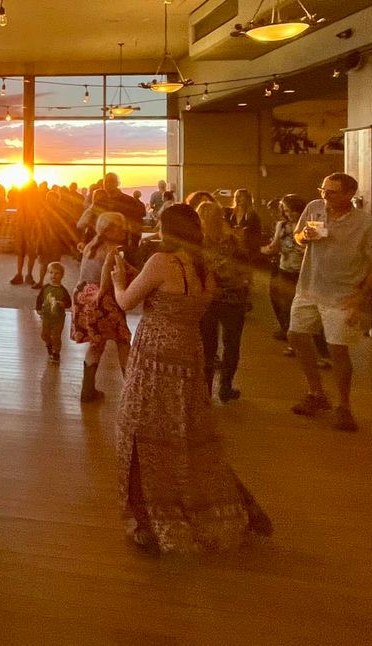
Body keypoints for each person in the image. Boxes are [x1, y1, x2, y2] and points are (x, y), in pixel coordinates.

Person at [110, 204, 273, 554]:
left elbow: (125, 302)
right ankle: (232, 502)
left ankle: (148, 518)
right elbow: (181, 294)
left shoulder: (160, 262)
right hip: (188, 351)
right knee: (187, 430)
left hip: (154, 352)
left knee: (144, 427)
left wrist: (117, 279)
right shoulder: (201, 264)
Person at [287, 172, 372, 431]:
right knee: (296, 335)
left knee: (338, 349)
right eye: (323, 190)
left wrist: (360, 296)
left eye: (332, 192)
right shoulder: (315, 208)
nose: (325, 196)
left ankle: (343, 406)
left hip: (343, 293)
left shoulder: (365, 223)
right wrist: (304, 237)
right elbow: (297, 236)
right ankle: (316, 393)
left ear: (349, 195)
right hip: (309, 286)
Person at [260, 194, 331, 364]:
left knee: (314, 311)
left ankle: (323, 353)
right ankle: (294, 344)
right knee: (287, 309)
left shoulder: (312, 225)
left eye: (293, 210)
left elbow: (325, 242)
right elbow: (275, 246)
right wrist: (258, 250)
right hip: (286, 271)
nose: (290, 214)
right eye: (286, 210)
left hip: (307, 272)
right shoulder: (281, 226)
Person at [71, 211, 132, 402]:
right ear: (108, 230)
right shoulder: (113, 250)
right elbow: (108, 274)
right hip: (103, 299)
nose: (124, 230)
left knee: (96, 343)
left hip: (83, 295)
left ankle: (87, 390)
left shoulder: (91, 246)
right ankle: (132, 390)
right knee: (123, 342)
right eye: (119, 227)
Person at [197, 201, 251, 402]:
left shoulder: (196, 241)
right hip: (234, 297)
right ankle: (225, 386)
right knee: (231, 344)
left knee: (207, 347)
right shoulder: (233, 239)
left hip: (207, 298)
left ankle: (205, 390)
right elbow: (245, 267)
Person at [35, 262, 72, 363]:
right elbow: (39, 299)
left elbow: (69, 303)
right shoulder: (45, 288)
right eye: (51, 273)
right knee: (44, 335)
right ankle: (49, 345)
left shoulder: (63, 290)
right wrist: (38, 309)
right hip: (46, 316)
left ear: (62, 275)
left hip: (58, 318)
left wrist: (63, 304)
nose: (53, 276)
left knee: (56, 336)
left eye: (57, 273)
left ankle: (56, 353)